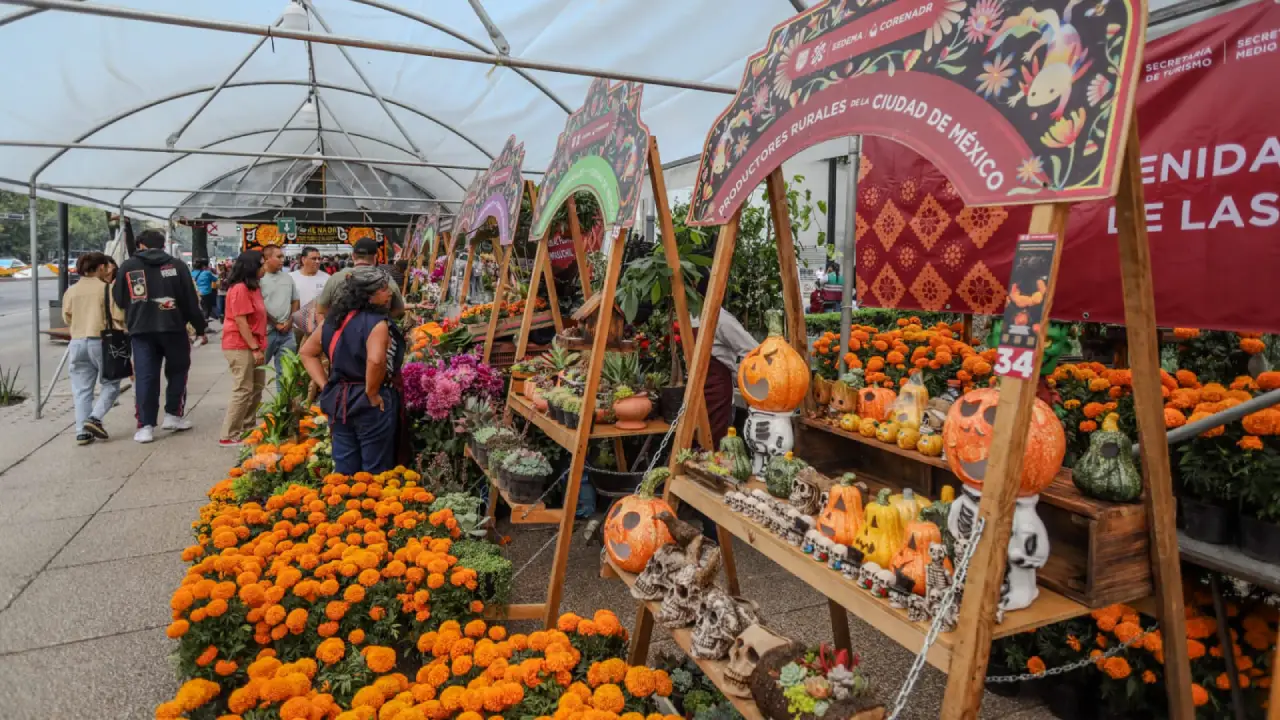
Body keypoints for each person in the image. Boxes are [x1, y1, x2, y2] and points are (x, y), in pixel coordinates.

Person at [299, 268, 404, 474]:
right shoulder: (377, 324)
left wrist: (325, 385)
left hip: (339, 399)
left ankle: (348, 503)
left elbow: (307, 353)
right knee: (375, 468)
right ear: (369, 295)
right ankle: (372, 504)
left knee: (344, 466)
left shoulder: (332, 321)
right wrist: (372, 393)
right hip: (369, 399)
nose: (389, 292)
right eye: (383, 289)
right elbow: (375, 360)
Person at [112, 229, 206, 443]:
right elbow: (190, 301)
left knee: (145, 377)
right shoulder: (177, 266)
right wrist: (200, 328)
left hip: (141, 331)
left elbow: (118, 298)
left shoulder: (128, 266)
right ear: (163, 245)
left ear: (140, 245)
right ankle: (173, 415)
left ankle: (145, 426)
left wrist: (137, 310)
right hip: (174, 329)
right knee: (178, 373)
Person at [62, 252, 126, 445]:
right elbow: (119, 316)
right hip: (102, 341)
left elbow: (67, 318)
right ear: (100, 268)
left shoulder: (71, 291)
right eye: (106, 267)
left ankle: (82, 431)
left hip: (77, 342)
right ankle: (94, 418)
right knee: (112, 383)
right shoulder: (107, 289)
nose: (108, 270)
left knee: (82, 389)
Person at [218, 251, 268, 447]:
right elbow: (241, 322)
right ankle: (229, 434)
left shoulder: (253, 287)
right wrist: (254, 347)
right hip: (240, 345)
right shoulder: (240, 289)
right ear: (251, 267)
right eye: (261, 264)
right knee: (243, 389)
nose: (264, 268)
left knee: (256, 387)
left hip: (254, 344)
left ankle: (248, 427)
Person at [695, 308, 758, 445]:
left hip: (717, 393)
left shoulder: (720, 318)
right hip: (695, 393)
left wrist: (741, 378)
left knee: (718, 444)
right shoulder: (685, 314)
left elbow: (753, 350)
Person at [316, 238, 404, 320]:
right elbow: (399, 310)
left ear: (353, 256)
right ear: (375, 257)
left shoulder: (336, 278)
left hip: (343, 333)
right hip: (376, 332)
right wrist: (382, 320)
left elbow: (321, 309)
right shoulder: (386, 278)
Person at [259, 245, 300, 386]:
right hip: (266, 332)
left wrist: (290, 320)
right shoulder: (259, 279)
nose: (283, 260)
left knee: (286, 374)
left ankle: (283, 405)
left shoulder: (287, 278)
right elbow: (258, 306)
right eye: (279, 257)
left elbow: (295, 300)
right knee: (257, 372)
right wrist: (275, 323)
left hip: (287, 333)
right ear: (266, 259)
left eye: (282, 256)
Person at [289, 245, 330, 337]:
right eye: (313, 258)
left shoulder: (326, 278)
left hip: (318, 327)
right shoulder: (291, 278)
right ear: (303, 259)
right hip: (296, 327)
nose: (317, 261)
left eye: (319, 259)